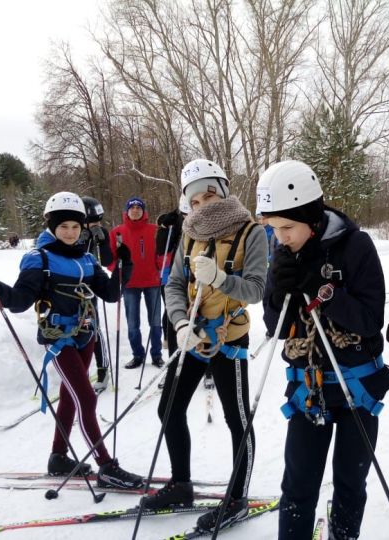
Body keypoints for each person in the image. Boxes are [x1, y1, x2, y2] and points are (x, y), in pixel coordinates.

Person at [258, 160, 389, 540]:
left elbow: (370, 319)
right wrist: (281, 294)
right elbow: (275, 328)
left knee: (350, 482)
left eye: (287, 227)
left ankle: (344, 534)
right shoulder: (283, 251)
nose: (280, 237)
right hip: (308, 387)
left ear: (312, 217)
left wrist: (323, 289)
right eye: (273, 228)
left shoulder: (356, 246)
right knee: (298, 485)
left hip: (358, 387)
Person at [0, 192, 144, 488]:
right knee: (86, 397)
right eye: (63, 226)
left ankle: (58, 457)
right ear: (51, 225)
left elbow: (112, 294)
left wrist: (124, 266)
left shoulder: (87, 259)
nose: (70, 232)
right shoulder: (39, 258)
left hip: (85, 335)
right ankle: (106, 466)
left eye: (76, 227)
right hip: (58, 338)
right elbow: (19, 301)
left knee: (69, 396)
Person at [142, 158, 268, 533]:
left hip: (228, 338)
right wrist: (180, 322)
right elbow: (174, 284)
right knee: (168, 408)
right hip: (193, 336)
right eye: (194, 201)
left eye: (209, 195)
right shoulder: (190, 232)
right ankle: (181, 484)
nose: (203, 206)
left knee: (237, 419)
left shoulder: (250, 232)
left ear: (223, 192)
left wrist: (221, 278)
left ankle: (237, 498)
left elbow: (257, 289)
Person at [109, 196, 163, 369]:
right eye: (132, 207)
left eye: (139, 207)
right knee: (133, 323)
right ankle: (138, 355)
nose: (135, 210)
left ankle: (156, 355)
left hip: (152, 281)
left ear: (143, 211)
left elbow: (164, 253)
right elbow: (112, 257)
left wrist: (160, 267)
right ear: (127, 211)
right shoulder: (118, 232)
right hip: (130, 283)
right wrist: (118, 272)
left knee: (155, 321)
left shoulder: (154, 229)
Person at [80, 195, 113, 390]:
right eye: (92, 222)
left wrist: (102, 242)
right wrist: (82, 242)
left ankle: (103, 370)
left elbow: (107, 260)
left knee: (93, 327)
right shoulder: (72, 232)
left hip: (91, 287)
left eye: (98, 221)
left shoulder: (101, 231)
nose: (96, 225)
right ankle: (78, 371)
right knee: (76, 329)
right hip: (72, 286)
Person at [155, 205, 184, 357]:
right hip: (167, 276)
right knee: (171, 308)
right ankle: (168, 338)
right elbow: (161, 249)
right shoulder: (167, 230)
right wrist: (165, 228)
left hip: (185, 275)